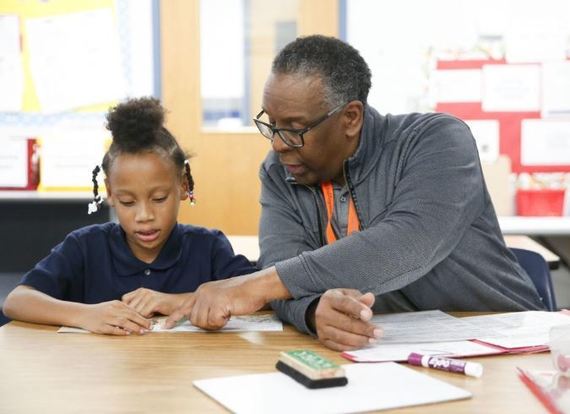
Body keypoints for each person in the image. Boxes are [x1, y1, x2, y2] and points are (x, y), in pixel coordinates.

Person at [165, 35, 544, 350]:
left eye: (294, 128)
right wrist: (314, 311)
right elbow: (283, 267)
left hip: (507, 343)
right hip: (386, 350)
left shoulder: (438, 141)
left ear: (350, 118)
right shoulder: (280, 171)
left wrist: (256, 285)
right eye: (271, 123)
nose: (278, 145)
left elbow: (406, 242)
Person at [2, 97, 254, 335]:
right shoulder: (86, 246)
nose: (144, 215)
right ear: (110, 193)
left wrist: (177, 302)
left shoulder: (208, 248)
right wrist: (86, 315)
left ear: (184, 186)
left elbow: (260, 294)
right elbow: (17, 300)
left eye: (158, 199)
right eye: (127, 202)